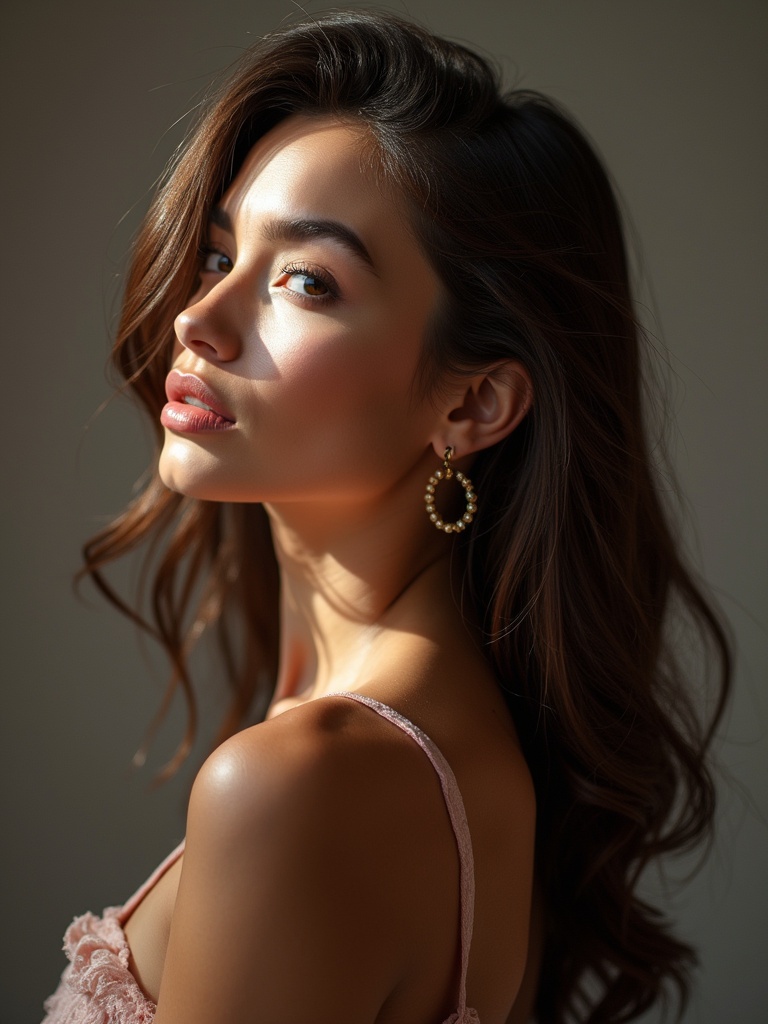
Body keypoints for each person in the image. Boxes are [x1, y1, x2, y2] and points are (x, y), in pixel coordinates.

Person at [41, 9, 731, 1024]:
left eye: (304, 282)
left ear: (471, 404)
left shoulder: (306, 787)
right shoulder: (451, 749)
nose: (200, 319)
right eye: (219, 254)